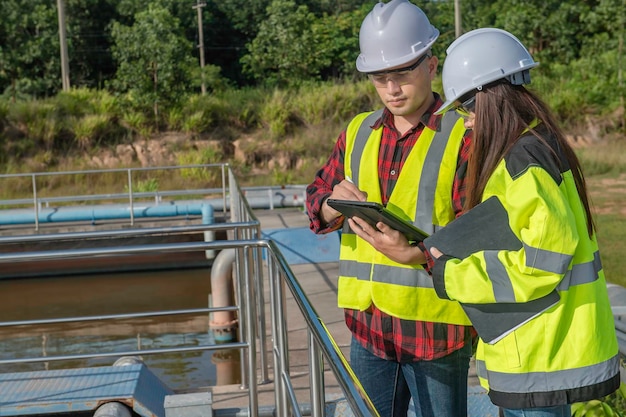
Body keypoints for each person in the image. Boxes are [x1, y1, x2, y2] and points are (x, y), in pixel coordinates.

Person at [429, 28, 620, 417]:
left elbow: (544, 260)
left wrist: (452, 275)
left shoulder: (523, 159)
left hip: (540, 354)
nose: (465, 123)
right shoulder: (536, 146)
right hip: (541, 350)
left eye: (466, 109)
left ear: (491, 98)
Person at [305, 1, 476, 416]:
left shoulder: (465, 133)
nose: (392, 88)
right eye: (381, 77)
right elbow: (315, 202)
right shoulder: (357, 131)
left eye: (403, 73)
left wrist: (418, 251)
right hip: (368, 328)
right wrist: (333, 205)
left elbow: (476, 232)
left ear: (432, 65)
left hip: (435, 330)